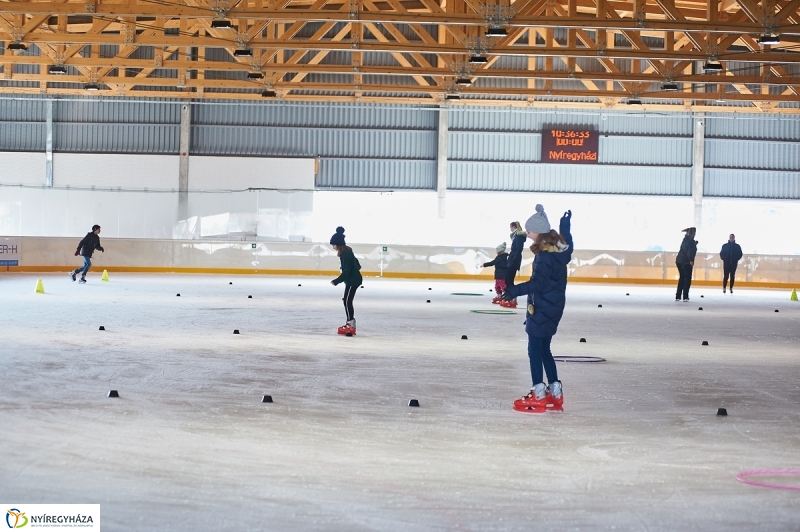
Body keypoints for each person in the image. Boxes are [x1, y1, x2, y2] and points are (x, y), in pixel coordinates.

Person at [503, 205, 573, 414]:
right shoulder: (560, 251)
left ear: (539, 232)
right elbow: (568, 240)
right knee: (544, 349)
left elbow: (538, 283)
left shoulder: (544, 256)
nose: (528, 234)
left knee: (534, 350)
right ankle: (555, 392)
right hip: (553, 307)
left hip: (542, 308)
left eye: (530, 231)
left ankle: (539, 393)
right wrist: (565, 226)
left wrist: (514, 291)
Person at [330, 227, 362, 335]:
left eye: (334, 245)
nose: (333, 247)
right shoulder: (348, 252)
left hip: (353, 281)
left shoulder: (345, 254)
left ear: (338, 244)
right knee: (346, 300)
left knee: (347, 301)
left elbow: (347, 270)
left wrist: (337, 280)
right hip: (352, 280)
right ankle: (349, 322)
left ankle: (351, 324)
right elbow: (357, 264)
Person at [501, 221, 527, 308]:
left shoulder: (518, 236)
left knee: (509, 280)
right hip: (512, 260)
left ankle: (512, 298)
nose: (510, 229)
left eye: (511, 227)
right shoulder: (516, 236)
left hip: (513, 261)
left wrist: (512, 261)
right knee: (508, 280)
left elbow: (518, 250)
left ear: (514, 227)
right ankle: (511, 297)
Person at [675, 227, 697, 302]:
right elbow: (690, 251)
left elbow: (686, 247)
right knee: (687, 279)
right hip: (686, 262)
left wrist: (695, 244)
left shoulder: (685, 240)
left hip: (679, 261)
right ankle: (685, 296)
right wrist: (691, 260)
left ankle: (678, 296)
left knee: (682, 278)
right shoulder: (691, 242)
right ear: (693, 233)